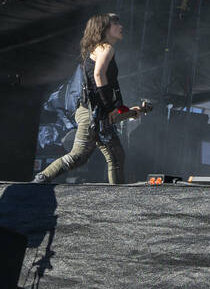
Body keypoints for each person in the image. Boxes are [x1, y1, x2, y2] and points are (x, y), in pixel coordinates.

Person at [34, 13, 145, 184]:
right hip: (93, 113)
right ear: (104, 28)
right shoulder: (106, 48)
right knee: (81, 155)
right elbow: (99, 75)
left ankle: (119, 200)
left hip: (94, 112)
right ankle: (41, 179)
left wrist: (127, 111)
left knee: (115, 156)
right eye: (116, 23)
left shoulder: (96, 49)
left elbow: (99, 89)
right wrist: (110, 108)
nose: (121, 26)